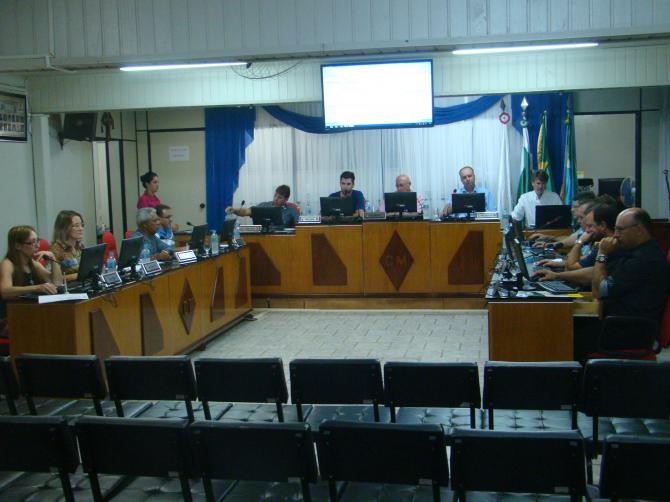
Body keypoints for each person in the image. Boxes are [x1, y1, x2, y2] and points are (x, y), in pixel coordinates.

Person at [592, 208, 667, 321]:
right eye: (615, 229)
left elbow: (598, 291)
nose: (615, 235)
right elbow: (599, 274)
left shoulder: (644, 260)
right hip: (616, 321)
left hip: (626, 327)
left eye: (620, 229)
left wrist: (602, 253)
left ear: (639, 230)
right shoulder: (635, 252)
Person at [0, 225, 64, 345]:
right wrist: (37, 287)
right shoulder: (7, 264)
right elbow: (5, 291)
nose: (37, 246)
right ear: (17, 246)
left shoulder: (33, 264)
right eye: (32, 242)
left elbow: (57, 283)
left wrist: (53, 259)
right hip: (10, 318)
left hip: (29, 312)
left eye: (37, 241)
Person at [534, 203, 621, 286]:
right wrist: (558, 267)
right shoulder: (605, 242)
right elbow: (584, 262)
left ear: (602, 225)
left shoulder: (609, 246)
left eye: (590, 226)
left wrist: (580, 242)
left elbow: (571, 266)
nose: (586, 230)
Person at [226, 185, 298, 228]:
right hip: (262, 237)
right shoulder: (264, 205)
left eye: (280, 197)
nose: (276, 199)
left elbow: (299, 227)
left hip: (282, 240)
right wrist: (234, 210)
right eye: (275, 195)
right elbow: (246, 211)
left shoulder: (291, 211)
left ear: (286, 199)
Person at [49, 210, 85, 282]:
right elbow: (52, 279)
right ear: (64, 228)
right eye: (76, 226)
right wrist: (77, 275)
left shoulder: (80, 246)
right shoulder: (56, 249)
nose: (81, 228)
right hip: (69, 287)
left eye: (81, 225)